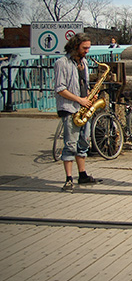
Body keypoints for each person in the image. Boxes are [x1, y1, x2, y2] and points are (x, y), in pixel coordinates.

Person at [53, 32, 99, 191]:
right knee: (70, 145)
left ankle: (82, 174)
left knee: (84, 142)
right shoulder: (62, 62)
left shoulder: (84, 63)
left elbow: (82, 85)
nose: (87, 51)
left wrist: (89, 97)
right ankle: (68, 178)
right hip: (69, 108)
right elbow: (60, 89)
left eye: (88, 48)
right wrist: (79, 100)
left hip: (83, 107)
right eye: (84, 48)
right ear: (75, 46)